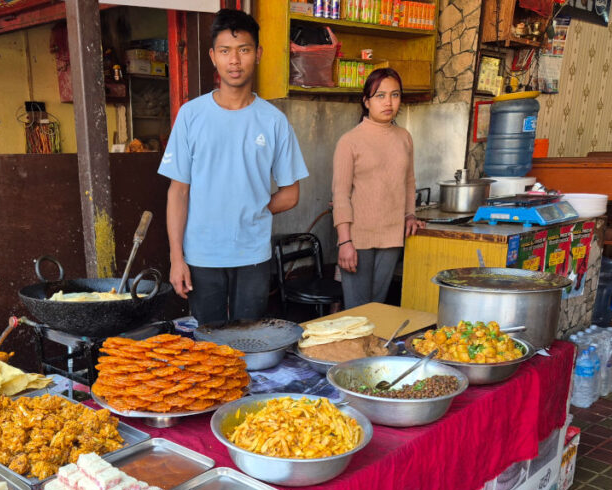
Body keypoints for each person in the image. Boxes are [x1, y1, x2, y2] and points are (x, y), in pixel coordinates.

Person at [160, 9, 309, 325]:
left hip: (252, 255)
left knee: (250, 340)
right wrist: (177, 258)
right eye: (226, 51)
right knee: (210, 345)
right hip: (201, 254)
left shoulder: (273, 121)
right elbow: (178, 192)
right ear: (213, 56)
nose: (235, 61)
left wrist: (255, 209)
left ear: (258, 54)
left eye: (244, 50)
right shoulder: (191, 116)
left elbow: (291, 194)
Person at [331, 67, 424, 309]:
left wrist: (410, 214)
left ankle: (374, 349)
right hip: (357, 238)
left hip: (392, 236)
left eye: (395, 95)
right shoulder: (349, 141)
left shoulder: (404, 137)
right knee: (357, 310)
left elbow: (408, 180)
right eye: (380, 96)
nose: (388, 102)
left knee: (378, 308)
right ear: (366, 101)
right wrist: (344, 242)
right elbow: (340, 195)